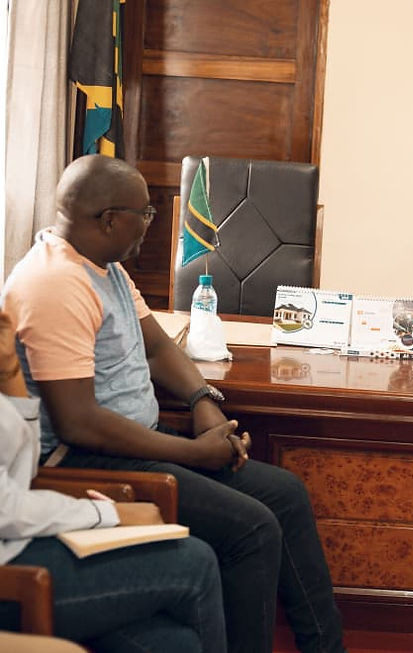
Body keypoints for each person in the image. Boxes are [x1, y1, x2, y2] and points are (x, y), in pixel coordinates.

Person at [1, 155, 345, 653]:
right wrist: (193, 452)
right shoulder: (54, 283)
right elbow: (78, 424)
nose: (149, 224)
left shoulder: (104, 267)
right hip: (88, 459)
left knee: (284, 492)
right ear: (109, 219)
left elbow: (159, 347)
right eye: (144, 214)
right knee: (251, 530)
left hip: (140, 443)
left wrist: (204, 402)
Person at [0, 309, 227, 652]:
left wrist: (10, 373)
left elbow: (22, 471)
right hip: (13, 573)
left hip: (19, 541)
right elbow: (7, 508)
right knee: (195, 563)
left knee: (173, 643)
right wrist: (108, 515)